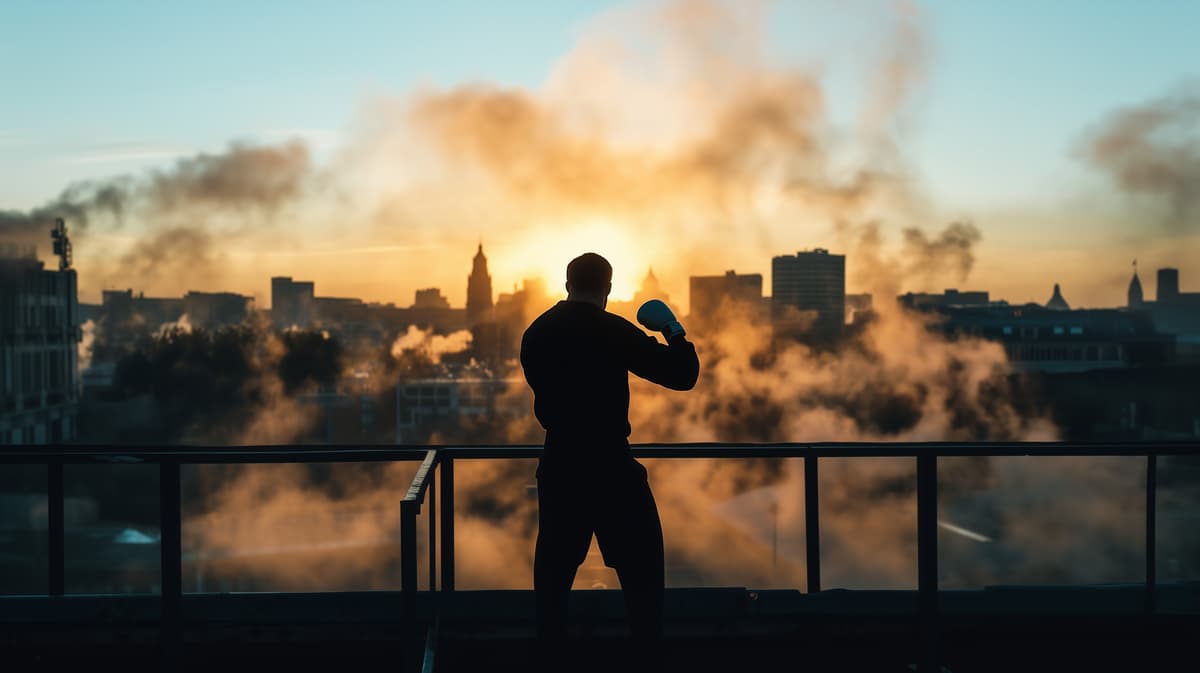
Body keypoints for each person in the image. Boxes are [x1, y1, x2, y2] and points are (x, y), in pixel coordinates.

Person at [520, 252, 700, 668]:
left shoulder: (537, 333)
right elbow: (682, 375)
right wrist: (673, 329)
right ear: (608, 288)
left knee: (554, 572)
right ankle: (646, 654)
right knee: (643, 569)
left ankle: (550, 655)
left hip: (561, 460)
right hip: (609, 462)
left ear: (566, 284)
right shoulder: (612, 331)